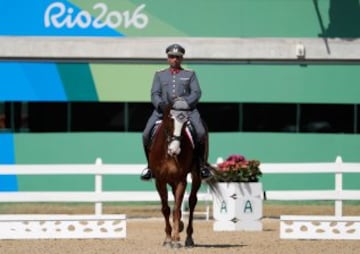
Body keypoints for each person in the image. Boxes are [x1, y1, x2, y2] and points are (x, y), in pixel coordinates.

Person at [141, 43, 212, 181]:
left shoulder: (190, 74)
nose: (174, 59)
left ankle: (202, 166)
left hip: (187, 111)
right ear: (168, 58)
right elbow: (155, 93)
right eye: (172, 57)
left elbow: (196, 92)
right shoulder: (160, 75)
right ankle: (150, 167)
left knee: (201, 132)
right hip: (162, 112)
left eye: (177, 57)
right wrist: (160, 105)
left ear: (181, 59)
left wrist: (185, 103)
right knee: (145, 134)